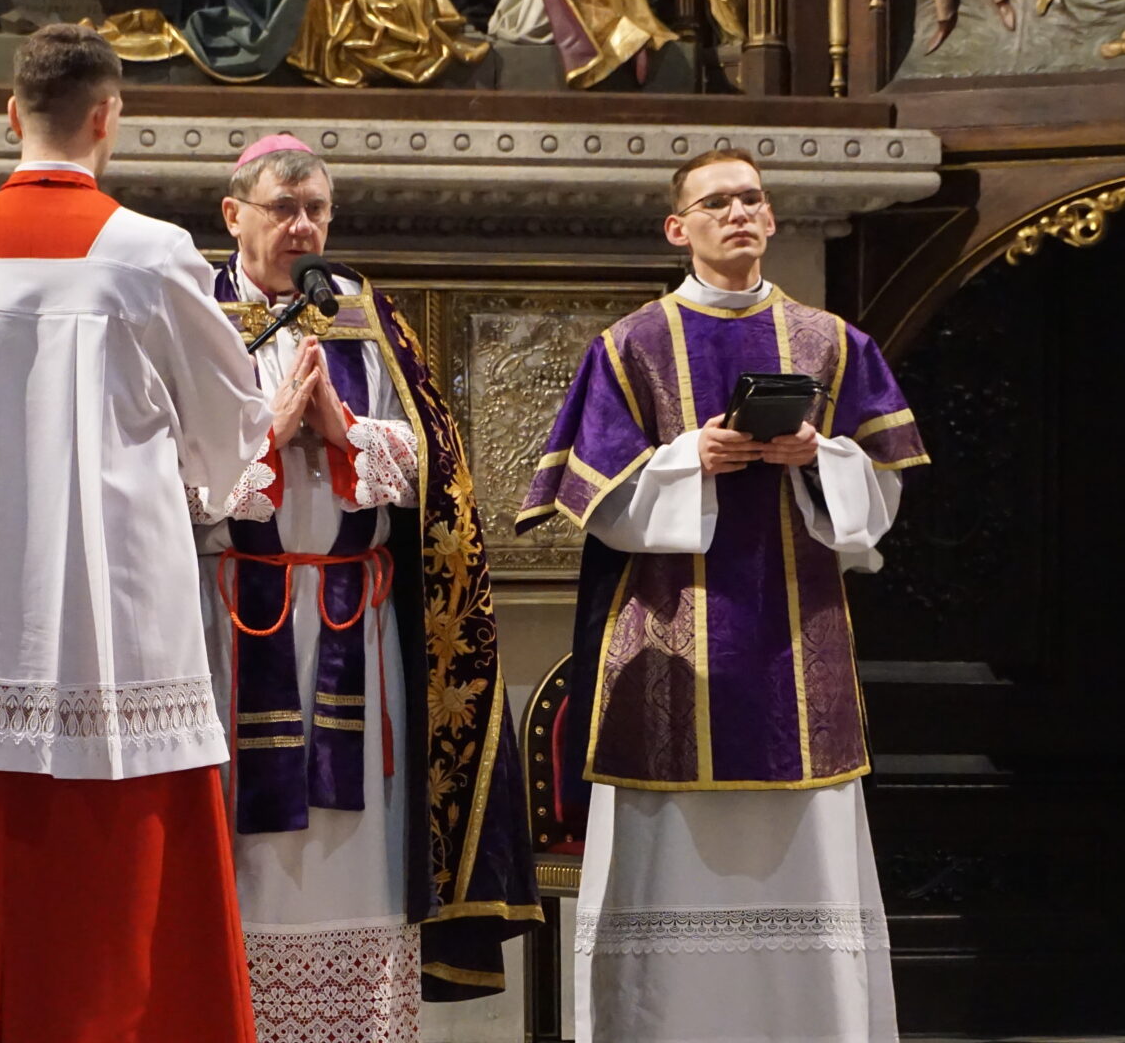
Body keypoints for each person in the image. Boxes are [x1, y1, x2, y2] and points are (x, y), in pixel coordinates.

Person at [0, 24, 273, 1043]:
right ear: (107, 117)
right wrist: (198, 482)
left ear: (11, 114)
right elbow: (231, 427)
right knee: (130, 925)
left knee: (5, 929)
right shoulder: (152, 252)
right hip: (123, 638)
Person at [517, 148, 929, 1042]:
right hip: (670, 645)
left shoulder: (830, 342)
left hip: (798, 642)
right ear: (680, 228)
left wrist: (816, 457)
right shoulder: (631, 345)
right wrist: (686, 460)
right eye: (716, 203)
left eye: (751, 199)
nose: (739, 213)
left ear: (771, 218)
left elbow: (883, 501)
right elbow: (598, 507)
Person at [195, 134, 541, 1040]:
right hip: (228, 620)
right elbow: (156, 468)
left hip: (359, 623)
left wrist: (346, 431)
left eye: (317, 210)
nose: (304, 227)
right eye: (283, 209)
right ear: (233, 215)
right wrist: (267, 436)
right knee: (237, 844)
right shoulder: (194, 315)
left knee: (358, 842)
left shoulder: (366, 314)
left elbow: (439, 466)